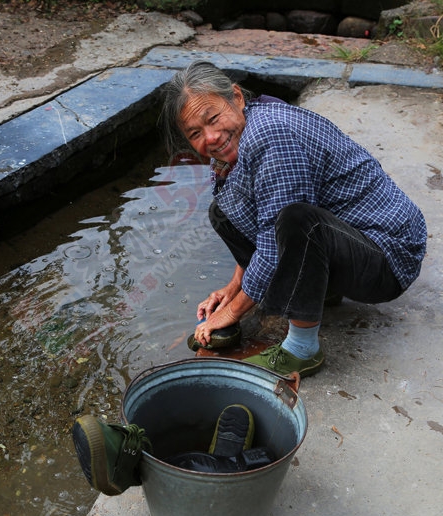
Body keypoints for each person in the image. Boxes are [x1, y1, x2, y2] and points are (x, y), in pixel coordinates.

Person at [159, 61, 427, 377]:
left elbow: (275, 237)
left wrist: (231, 312)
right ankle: (321, 288)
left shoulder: (269, 135)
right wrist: (232, 288)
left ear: (236, 98)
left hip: (388, 258)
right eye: (195, 133)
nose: (212, 137)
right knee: (224, 211)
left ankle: (302, 349)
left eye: (213, 118)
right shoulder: (246, 131)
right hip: (351, 242)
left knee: (298, 219)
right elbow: (260, 216)